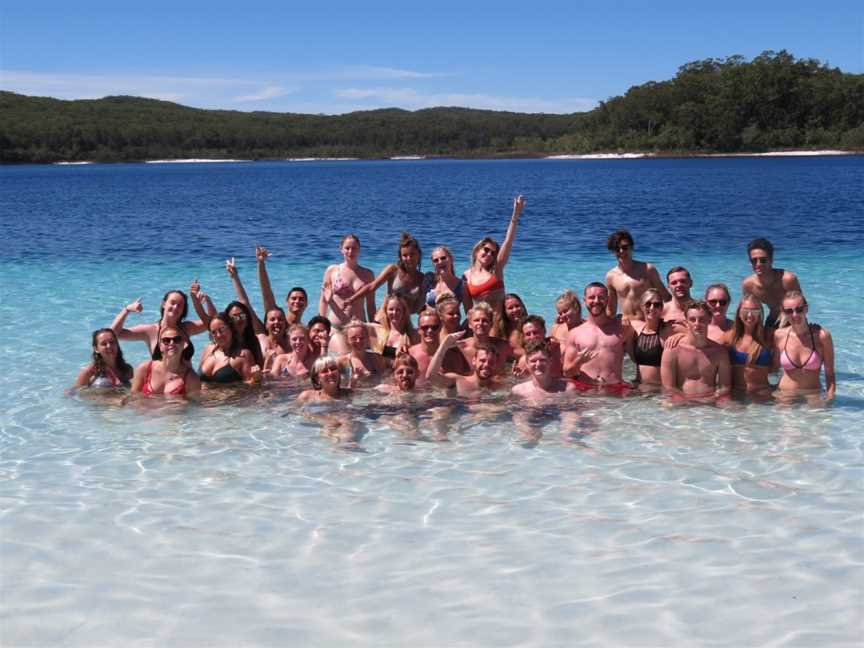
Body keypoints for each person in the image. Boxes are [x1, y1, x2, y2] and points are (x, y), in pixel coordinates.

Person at [563, 282, 632, 394]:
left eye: (601, 297)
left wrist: (623, 315)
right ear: (584, 300)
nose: (596, 301)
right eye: (591, 297)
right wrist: (578, 362)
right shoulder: (575, 334)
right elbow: (567, 372)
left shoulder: (622, 327)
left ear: (608, 299)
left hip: (614, 390)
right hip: (585, 390)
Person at [462, 195, 526, 315]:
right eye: (486, 250)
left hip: (503, 321)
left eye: (493, 253)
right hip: (484, 323)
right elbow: (468, 310)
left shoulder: (496, 269)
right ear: (477, 251)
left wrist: (515, 215)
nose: (489, 254)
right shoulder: (466, 276)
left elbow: (508, 241)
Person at [660, 301, 731, 404]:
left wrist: (711, 399)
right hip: (681, 402)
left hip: (710, 401)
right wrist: (688, 401)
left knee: (735, 408)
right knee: (667, 404)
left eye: (702, 319)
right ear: (686, 322)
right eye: (692, 320)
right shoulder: (672, 349)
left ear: (709, 320)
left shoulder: (719, 352)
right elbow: (668, 387)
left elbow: (725, 387)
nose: (697, 324)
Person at [346, 232, 431, 316]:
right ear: (400, 257)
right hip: (386, 317)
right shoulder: (393, 270)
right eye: (405, 255)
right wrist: (351, 299)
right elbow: (372, 287)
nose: (408, 258)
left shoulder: (422, 278)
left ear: (419, 254)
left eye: (412, 254)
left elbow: (417, 308)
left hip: (404, 322)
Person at [773, 291, 835, 403]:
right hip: (785, 394)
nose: (795, 315)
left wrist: (830, 399)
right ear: (784, 313)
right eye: (789, 311)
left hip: (813, 394)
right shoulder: (779, 335)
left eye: (799, 309)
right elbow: (773, 368)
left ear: (806, 309)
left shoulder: (822, 336)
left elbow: (829, 374)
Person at [112, 288, 208, 359]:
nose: (175, 307)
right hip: (161, 383)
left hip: (188, 383)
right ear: (163, 304)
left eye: (180, 305)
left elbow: (212, 323)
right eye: (173, 303)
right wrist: (127, 309)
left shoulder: (187, 328)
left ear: (183, 310)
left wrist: (203, 301)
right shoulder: (150, 331)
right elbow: (114, 334)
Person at [604, 230, 670, 319]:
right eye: (617, 249)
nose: (621, 251)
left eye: (624, 247)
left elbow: (666, 297)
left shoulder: (647, 269)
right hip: (627, 326)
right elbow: (611, 311)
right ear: (613, 251)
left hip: (647, 323)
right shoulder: (610, 276)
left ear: (632, 248)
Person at [741, 238, 802, 328]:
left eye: (763, 260)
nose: (758, 264)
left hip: (794, 320)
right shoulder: (749, 285)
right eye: (754, 260)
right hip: (772, 321)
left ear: (771, 260)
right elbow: (750, 311)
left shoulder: (787, 279)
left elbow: (801, 306)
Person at [319, 234, 376, 327]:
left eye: (354, 248)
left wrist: (372, 327)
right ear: (341, 249)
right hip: (335, 326)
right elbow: (323, 300)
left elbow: (371, 305)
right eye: (347, 248)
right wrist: (322, 324)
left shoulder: (368, 274)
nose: (350, 251)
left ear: (359, 250)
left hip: (359, 327)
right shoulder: (332, 270)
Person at [726, 294, 775, 398]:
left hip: (763, 396)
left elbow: (792, 337)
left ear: (760, 314)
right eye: (745, 311)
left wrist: (811, 330)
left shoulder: (769, 335)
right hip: (737, 396)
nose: (750, 315)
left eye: (755, 311)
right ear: (739, 313)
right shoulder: (730, 337)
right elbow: (707, 349)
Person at [626, 289, 674, 391]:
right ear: (641, 306)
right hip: (638, 386)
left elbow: (689, 330)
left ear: (661, 308)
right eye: (648, 304)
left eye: (656, 305)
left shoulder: (667, 329)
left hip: (658, 390)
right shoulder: (636, 328)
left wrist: (678, 337)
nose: (652, 308)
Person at [131, 327, 201, 396]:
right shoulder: (145, 369)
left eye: (177, 340)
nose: (172, 343)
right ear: (160, 346)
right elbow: (134, 397)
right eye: (166, 340)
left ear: (184, 344)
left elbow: (193, 405)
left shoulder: (191, 378)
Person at [426, 333, 502, 396]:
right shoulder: (458, 381)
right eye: (482, 360)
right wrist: (443, 347)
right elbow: (431, 377)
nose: (486, 365)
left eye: (491, 362)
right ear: (474, 361)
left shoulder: (498, 386)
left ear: (496, 364)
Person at [199, 313, 261, 385]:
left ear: (231, 328)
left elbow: (252, 388)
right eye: (214, 332)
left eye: (221, 329)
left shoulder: (243, 355)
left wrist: (256, 379)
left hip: (231, 396)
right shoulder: (209, 349)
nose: (218, 335)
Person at [408, 309, 467, 384]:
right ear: (419, 330)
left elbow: (460, 385)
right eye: (425, 328)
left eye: (434, 327)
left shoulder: (452, 357)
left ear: (440, 328)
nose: (429, 331)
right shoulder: (410, 354)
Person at [512, 340, 576, 401]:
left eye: (542, 360)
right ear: (527, 363)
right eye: (533, 361)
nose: (538, 364)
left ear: (550, 361)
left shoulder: (567, 388)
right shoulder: (519, 391)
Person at [458, 302, 512, 374]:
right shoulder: (461, 347)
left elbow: (525, 354)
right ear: (470, 324)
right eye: (476, 320)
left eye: (485, 320)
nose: (480, 323)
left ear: (491, 324)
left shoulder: (502, 346)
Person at [338, 319, 386, 386]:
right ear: (347, 340)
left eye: (361, 337)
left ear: (367, 338)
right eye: (353, 338)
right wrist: (354, 381)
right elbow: (339, 390)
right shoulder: (342, 362)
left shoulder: (376, 359)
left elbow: (385, 379)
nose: (358, 341)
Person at [426, 246, 470, 313]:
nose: (440, 262)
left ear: (451, 259)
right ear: (433, 264)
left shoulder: (461, 286)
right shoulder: (429, 281)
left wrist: (461, 324)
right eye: (436, 260)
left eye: (443, 258)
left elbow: (470, 314)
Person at [224, 300, 265, 368]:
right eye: (235, 317)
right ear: (228, 321)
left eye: (242, 315)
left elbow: (260, 366)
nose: (239, 319)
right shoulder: (225, 342)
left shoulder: (253, 340)